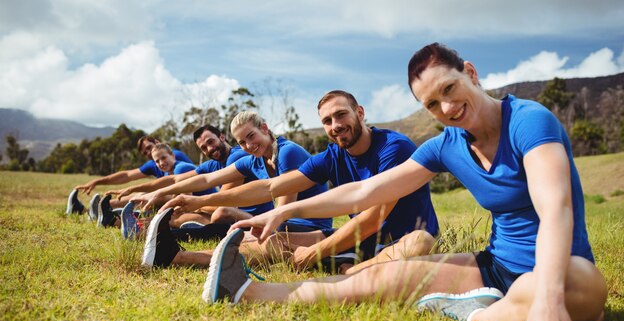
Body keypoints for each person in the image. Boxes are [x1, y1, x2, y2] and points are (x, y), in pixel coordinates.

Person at [208, 43, 607, 321]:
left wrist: (550, 295)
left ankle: (481, 314)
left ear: (470, 72)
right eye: (432, 104)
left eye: (449, 89)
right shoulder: (445, 146)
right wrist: (288, 209)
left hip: (561, 271)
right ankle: (246, 292)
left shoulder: (528, 121)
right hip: (496, 268)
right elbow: (368, 192)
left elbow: (556, 208)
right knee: (375, 280)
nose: (446, 109)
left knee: (584, 287)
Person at [152, 91, 438, 273]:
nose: (335, 125)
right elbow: (271, 187)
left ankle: (352, 272)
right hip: (361, 240)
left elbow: (374, 218)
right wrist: (199, 200)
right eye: (327, 120)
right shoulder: (333, 154)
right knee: (274, 242)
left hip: (398, 239)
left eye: (341, 115)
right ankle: (176, 257)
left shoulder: (393, 147)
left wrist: (315, 252)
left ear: (359, 113)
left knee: (420, 243)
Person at [137, 111, 332, 268]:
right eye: (241, 142)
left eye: (251, 136)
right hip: (285, 223)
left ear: (264, 128)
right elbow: (205, 179)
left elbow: (282, 212)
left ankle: (179, 257)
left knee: (259, 239)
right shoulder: (254, 160)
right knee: (239, 237)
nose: (248, 145)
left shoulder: (286, 152)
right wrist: (159, 192)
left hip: (310, 226)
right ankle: (171, 254)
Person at [108, 125, 271, 232]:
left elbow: (222, 201)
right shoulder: (213, 164)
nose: (209, 148)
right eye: (204, 147)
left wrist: (192, 205)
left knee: (216, 213)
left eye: (211, 141)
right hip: (230, 213)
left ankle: (136, 226)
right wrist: (140, 190)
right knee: (176, 213)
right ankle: (131, 225)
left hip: (252, 218)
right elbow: (175, 180)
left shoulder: (236, 157)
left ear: (222, 137)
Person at [65, 135, 193, 218]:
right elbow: (127, 175)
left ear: (158, 142)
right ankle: (96, 210)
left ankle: (101, 208)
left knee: (152, 194)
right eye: (145, 152)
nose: (148, 153)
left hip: (191, 199)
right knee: (148, 194)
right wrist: (97, 181)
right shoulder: (155, 163)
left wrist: (134, 190)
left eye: (149, 147)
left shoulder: (175, 159)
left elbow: (180, 189)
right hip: (176, 198)